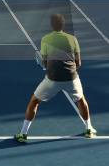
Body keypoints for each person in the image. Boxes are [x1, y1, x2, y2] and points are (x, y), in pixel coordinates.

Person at [14, 14, 96, 143]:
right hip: (71, 78)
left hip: (52, 80)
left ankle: (23, 134)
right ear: (63, 25)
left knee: (34, 101)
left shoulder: (46, 39)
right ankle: (89, 129)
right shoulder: (72, 39)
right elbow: (78, 63)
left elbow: (45, 63)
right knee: (81, 100)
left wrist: (42, 63)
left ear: (51, 25)